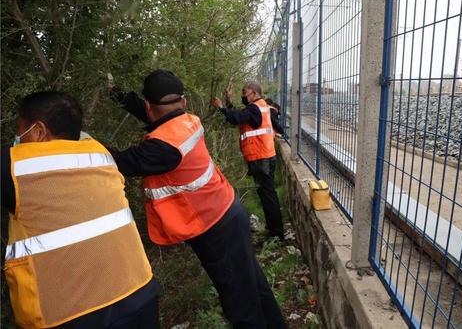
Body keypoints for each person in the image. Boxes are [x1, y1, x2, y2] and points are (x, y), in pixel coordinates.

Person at [109, 70, 286, 329]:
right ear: (183, 101)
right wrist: (119, 95)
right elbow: (157, 117)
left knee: (240, 304)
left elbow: (118, 161)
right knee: (252, 285)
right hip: (228, 213)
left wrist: (78, 144)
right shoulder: (188, 121)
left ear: (149, 106)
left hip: (214, 228)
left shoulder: (163, 148)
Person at [0, 91, 160, 329]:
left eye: (20, 130)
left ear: (40, 131)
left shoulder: (14, 166)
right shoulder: (100, 154)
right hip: (139, 294)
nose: (18, 139)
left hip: (69, 316)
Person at [211, 81, 285, 240]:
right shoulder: (260, 106)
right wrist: (230, 103)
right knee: (268, 195)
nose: (243, 96)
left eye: (245, 92)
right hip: (266, 156)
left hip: (260, 159)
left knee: (268, 196)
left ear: (254, 93)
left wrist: (221, 107)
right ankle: (275, 231)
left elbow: (235, 118)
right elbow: (241, 117)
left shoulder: (254, 108)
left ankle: (276, 234)